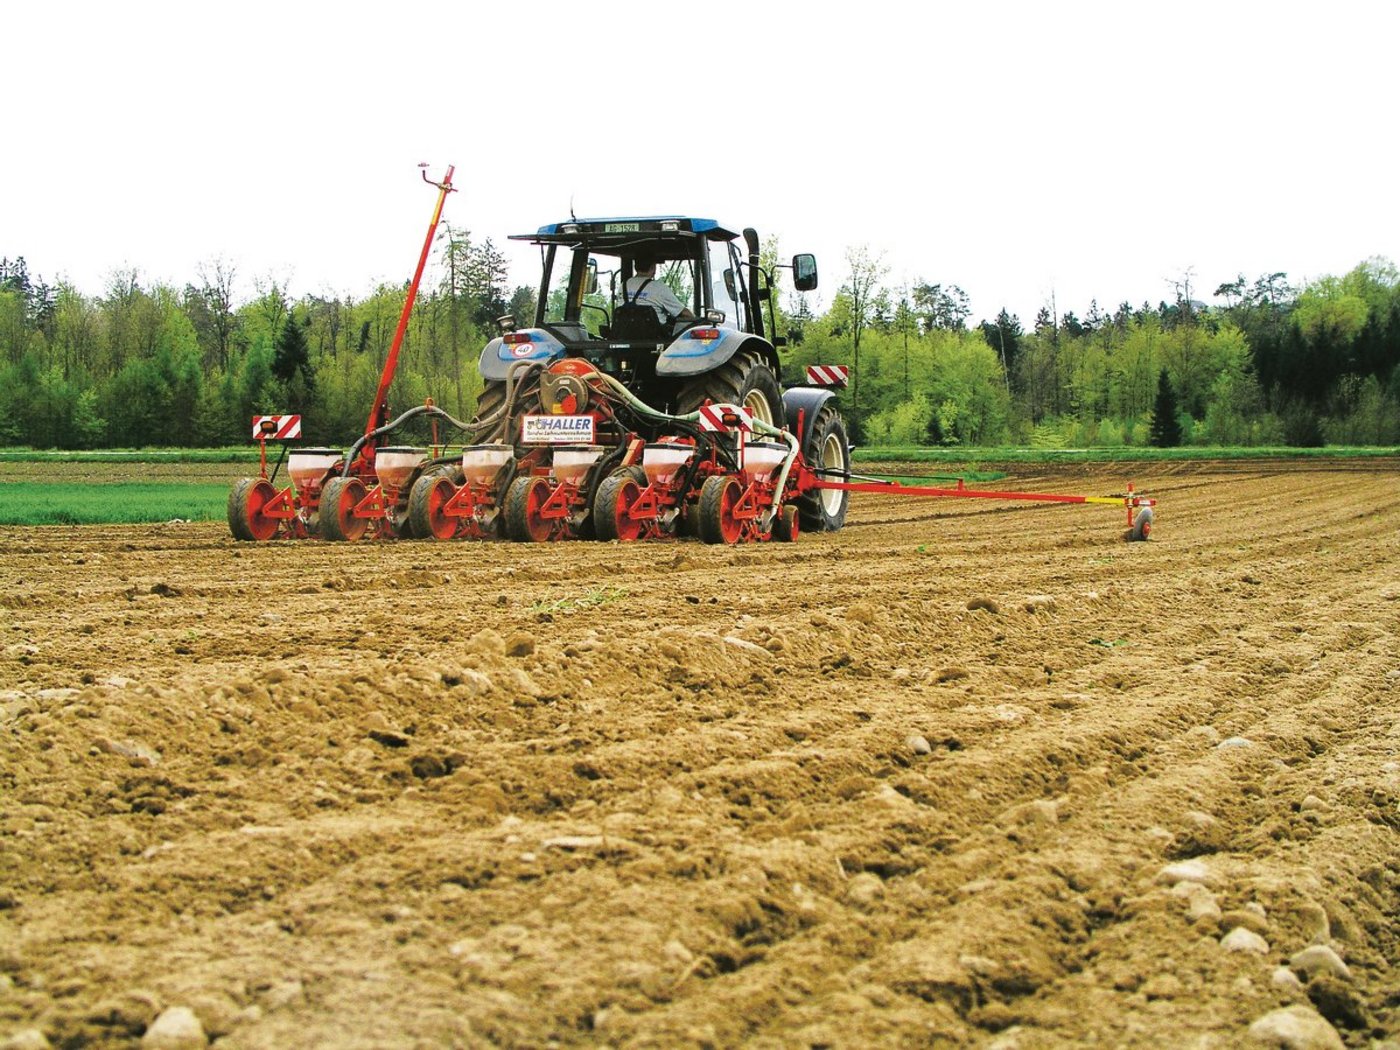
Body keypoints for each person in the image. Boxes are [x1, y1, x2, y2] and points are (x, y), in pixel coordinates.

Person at [623, 252, 694, 325]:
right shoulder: (659, 287)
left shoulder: (623, 286)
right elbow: (684, 313)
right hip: (654, 335)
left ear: (635, 267)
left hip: (623, 335)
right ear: (653, 267)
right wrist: (697, 321)